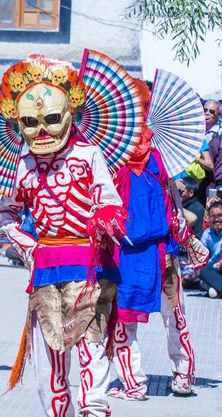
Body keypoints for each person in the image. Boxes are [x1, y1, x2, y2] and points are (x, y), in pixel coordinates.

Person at [0, 54, 131, 417]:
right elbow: (5, 214)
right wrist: (28, 246)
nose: (42, 131)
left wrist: (103, 218)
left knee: (91, 345)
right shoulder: (21, 166)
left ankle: (94, 410)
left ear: (68, 116)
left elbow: (110, 201)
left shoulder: (88, 154)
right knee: (48, 357)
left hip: (90, 265)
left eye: (51, 120)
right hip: (46, 265)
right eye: (31, 123)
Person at [108, 79, 208, 401]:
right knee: (150, 317)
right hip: (142, 251)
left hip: (148, 252)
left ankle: (154, 379)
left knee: (153, 317)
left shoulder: (141, 156)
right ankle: (160, 377)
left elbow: (173, 207)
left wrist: (185, 238)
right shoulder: (122, 157)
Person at [199, 201, 222, 298]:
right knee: (203, 271)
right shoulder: (207, 234)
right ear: (209, 218)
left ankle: (214, 288)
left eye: (220, 215)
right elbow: (200, 256)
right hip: (215, 270)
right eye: (213, 216)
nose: (217, 219)